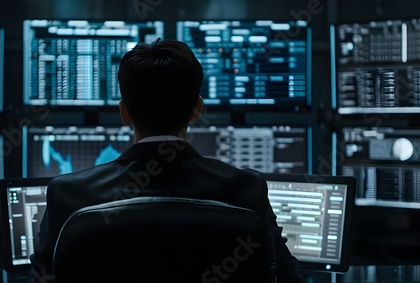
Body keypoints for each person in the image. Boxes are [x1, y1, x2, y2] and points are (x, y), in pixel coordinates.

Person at [28, 39, 304, 282]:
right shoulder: (246, 189)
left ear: (124, 112)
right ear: (197, 109)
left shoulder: (69, 194)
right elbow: (286, 276)